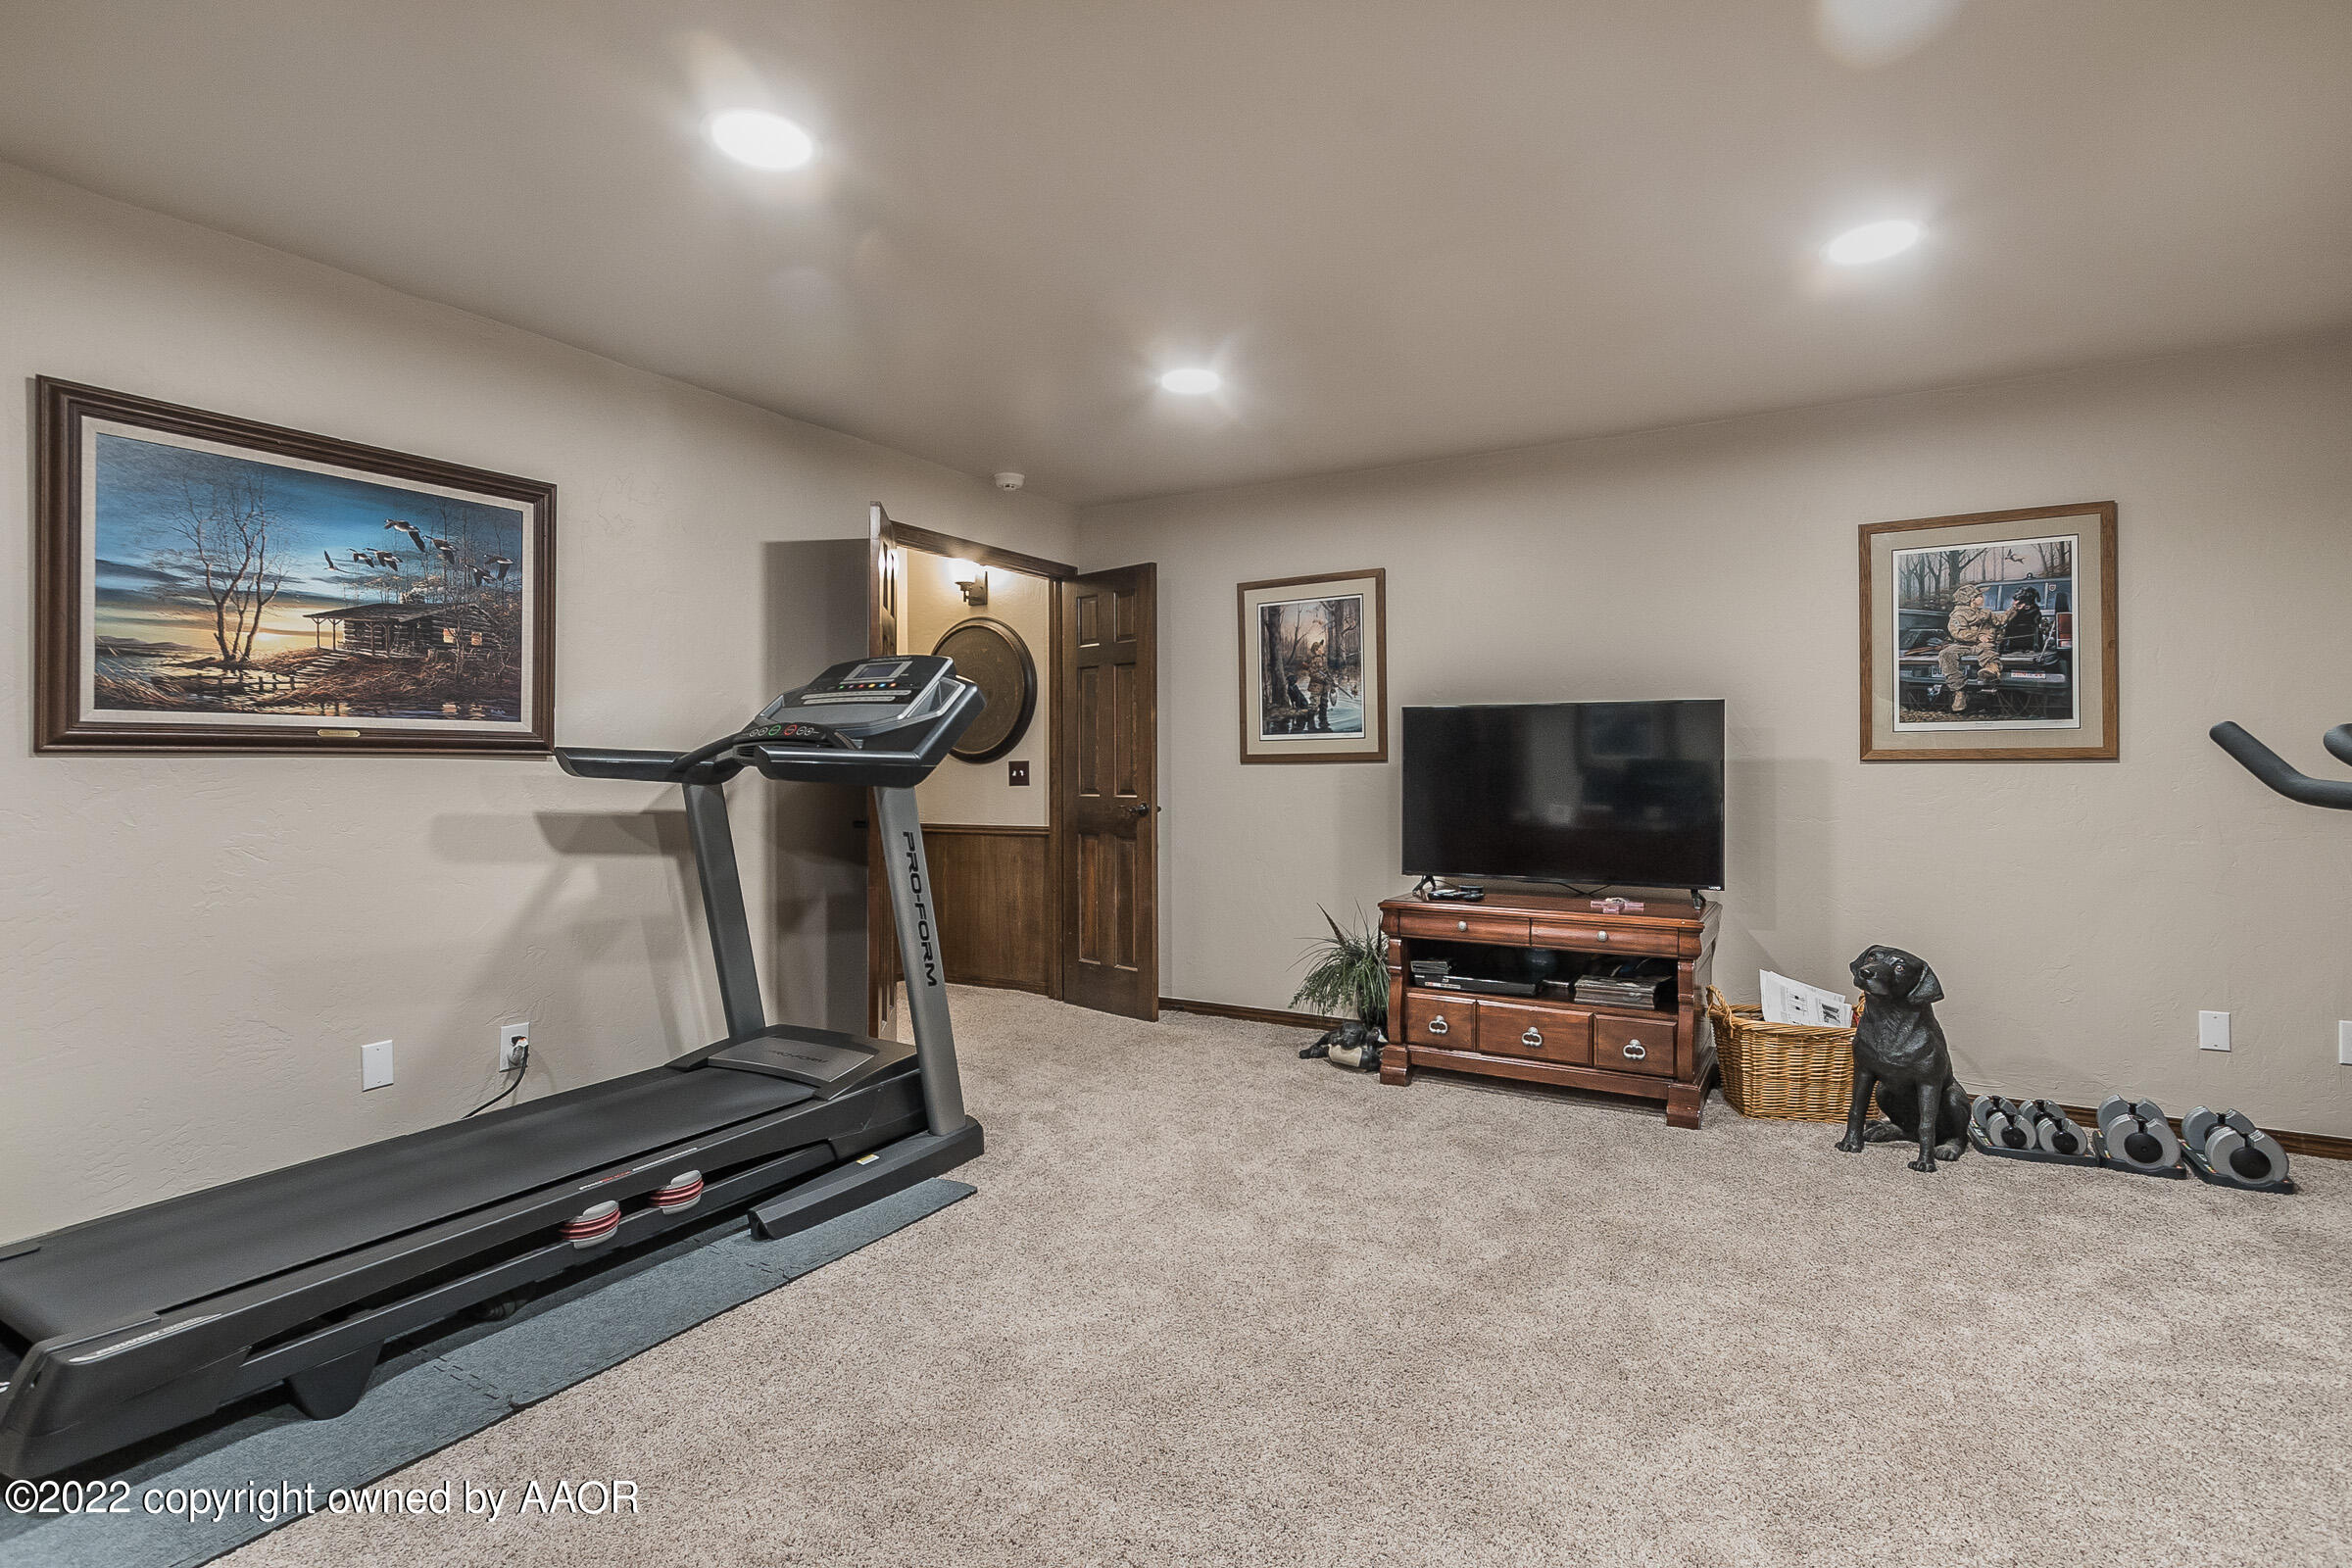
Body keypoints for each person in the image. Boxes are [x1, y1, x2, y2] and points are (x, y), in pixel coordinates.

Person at [1936, 582, 2017, 712]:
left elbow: (2002, 620)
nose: (1982, 598)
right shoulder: (1958, 614)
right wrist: (1978, 636)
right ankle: (1959, 692)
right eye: (1980, 596)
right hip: (1964, 645)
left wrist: (2014, 609)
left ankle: (1992, 669)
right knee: (1946, 653)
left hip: (1982, 645)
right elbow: (1958, 632)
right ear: (1971, 600)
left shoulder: (1985, 613)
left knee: (1987, 649)